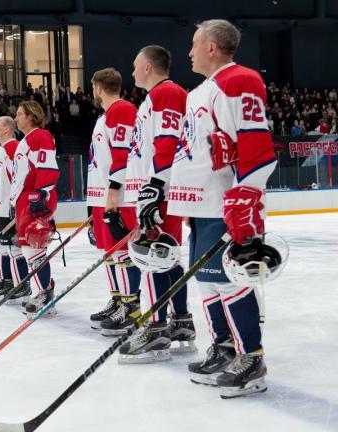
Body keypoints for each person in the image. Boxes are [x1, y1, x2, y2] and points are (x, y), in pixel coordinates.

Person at [168, 19, 276, 398]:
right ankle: (224, 348)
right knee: (207, 279)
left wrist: (246, 195)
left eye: (195, 45)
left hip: (221, 202)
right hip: (199, 202)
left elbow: (257, 145)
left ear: (212, 46)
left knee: (227, 279)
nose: (190, 52)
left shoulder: (238, 80)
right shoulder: (200, 91)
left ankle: (251, 357)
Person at [117, 45, 195, 364]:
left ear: (149, 67)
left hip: (159, 190)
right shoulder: (155, 98)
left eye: (136, 65)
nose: (133, 71)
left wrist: (154, 187)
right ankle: (180, 321)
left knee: (154, 256)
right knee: (168, 255)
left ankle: (157, 326)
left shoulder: (166, 94)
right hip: (156, 188)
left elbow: (168, 141)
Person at [85, 68, 141, 331]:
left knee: (122, 252)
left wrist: (113, 193)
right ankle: (119, 300)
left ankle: (132, 307)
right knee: (110, 252)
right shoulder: (105, 116)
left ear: (98, 87)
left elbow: (122, 155)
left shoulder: (122, 110)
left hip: (120, 197)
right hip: (102, 196)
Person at [10, 100, 60, 318]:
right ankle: (42, 291)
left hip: (34, 198)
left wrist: (42, 194)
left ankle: (45, 294)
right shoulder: (26, 140)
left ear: (31, 116)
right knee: (29, 250)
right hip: (25, 200)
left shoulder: (40, 136)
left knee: (34, 247)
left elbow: (47, 167)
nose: (16, 118)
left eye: (20, 114)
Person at [0, 116, 30, 302]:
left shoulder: (13, 147)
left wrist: (14, 203)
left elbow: (19, 177)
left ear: (5, 128)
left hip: (7, 208)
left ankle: (23, 284)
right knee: (0, 247)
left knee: (12, 249)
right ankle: (7, 282)